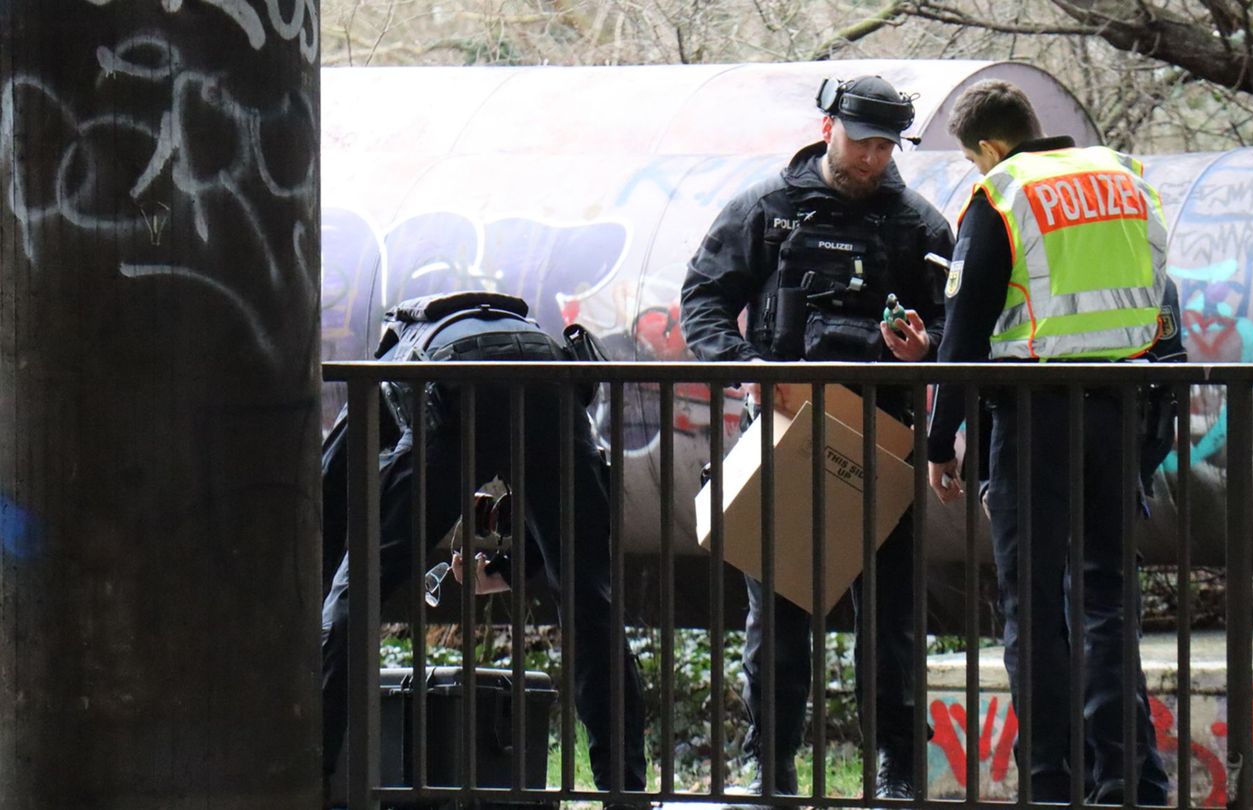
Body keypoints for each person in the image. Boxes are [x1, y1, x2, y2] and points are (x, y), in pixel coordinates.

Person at [680, 75, 953, 802]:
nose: (871, 159)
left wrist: (924, 348)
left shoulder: (919, 226)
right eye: (861, 142)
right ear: (828, 126)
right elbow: (703, 298)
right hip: (783, 428)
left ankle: (897, 770)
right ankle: (771, 769)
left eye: (885, 147)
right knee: (777, 615)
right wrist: (747, 367)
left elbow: (958, 323)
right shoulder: (766, 210)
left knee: (891, 620)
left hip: (884, 435)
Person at [925, 79, 1172, 806]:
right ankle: (1126, 782)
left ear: (990, 146)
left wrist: (941, 440)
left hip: (1036, 416)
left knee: (1032, 608)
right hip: (1120, 408)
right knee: (1106, 600)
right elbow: (1161, 295)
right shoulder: (1126, 179)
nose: (976, 169)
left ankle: (1050, 784)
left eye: (972, 158)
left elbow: (965, 333)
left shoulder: (1003, 194)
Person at [320, 291, 647, 804]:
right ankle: (625, 792)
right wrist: (508, 568)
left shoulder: (397, 355)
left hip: (455, 389)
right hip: (551, 384)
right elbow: (558, 507)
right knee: (591, 600)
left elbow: (332, 477)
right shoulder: (526, 335)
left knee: (355, 588)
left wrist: (322, 577)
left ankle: (309, 776)